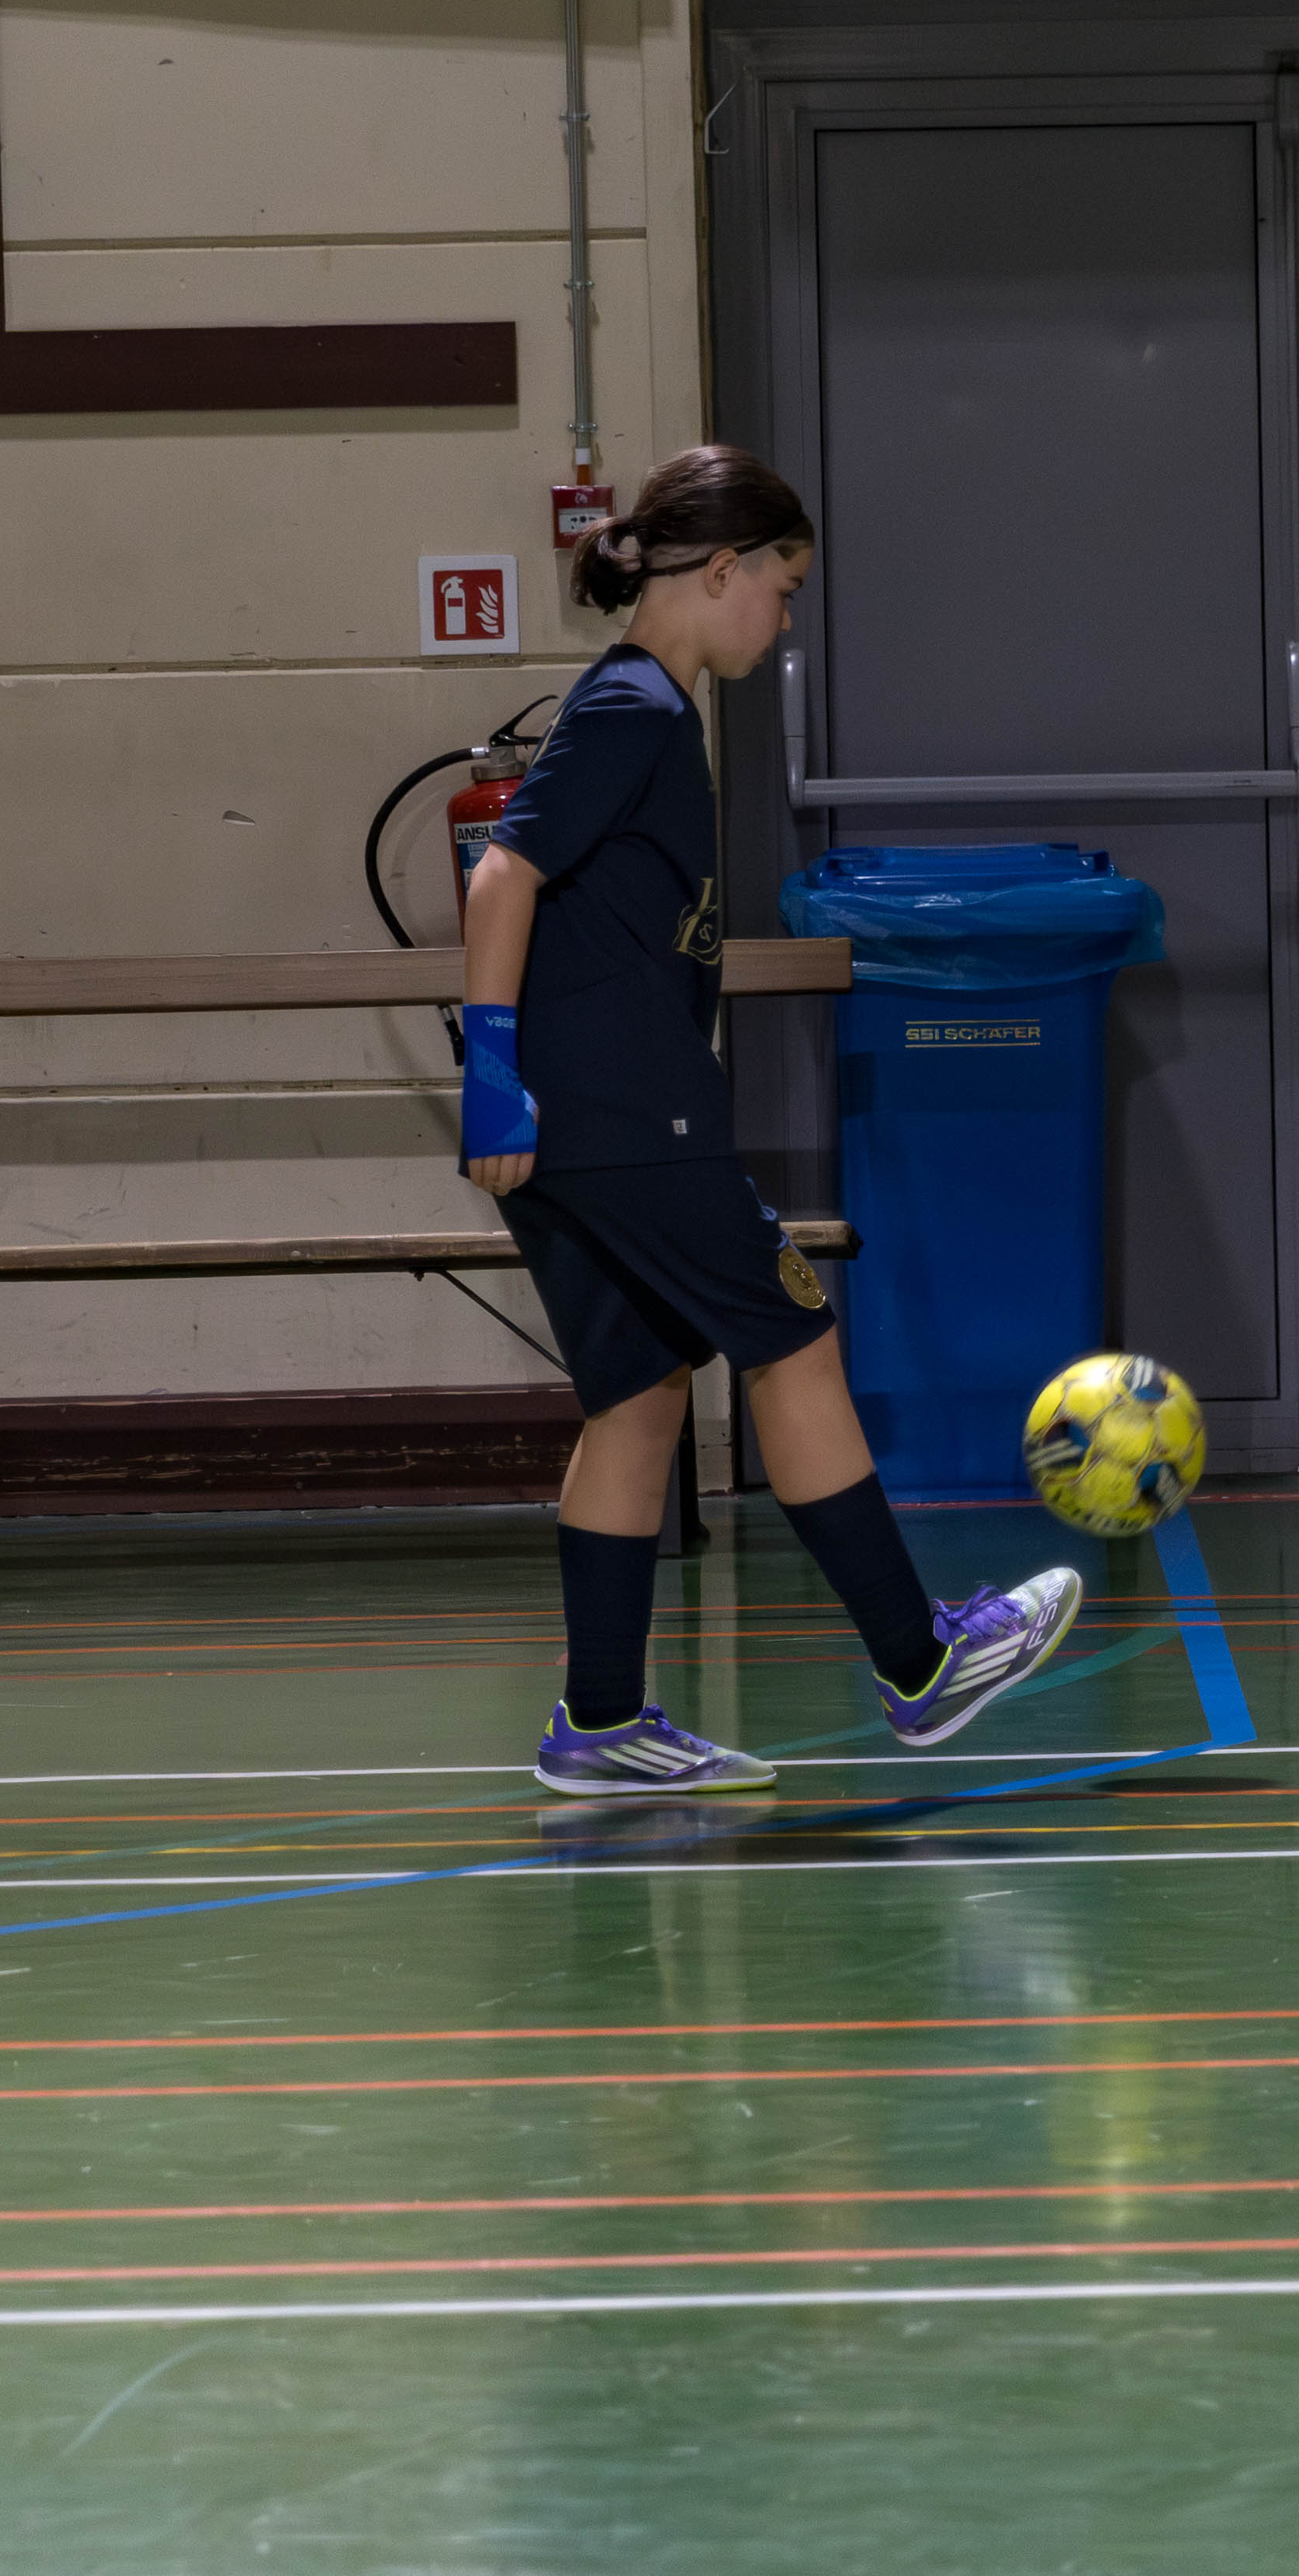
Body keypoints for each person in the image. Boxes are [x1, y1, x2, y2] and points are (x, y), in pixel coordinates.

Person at [463, 446, 1083, 1797]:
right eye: (782, 587)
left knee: (637, 1396)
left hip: (586, 1123)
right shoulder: (632, 706)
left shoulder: (640, 705)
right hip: (624, 1117)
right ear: (722, 567)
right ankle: (920, 1662)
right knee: (793, 1341)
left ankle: (601, 1721)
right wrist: (492, 1065)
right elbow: (500, 872)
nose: (786, 620)